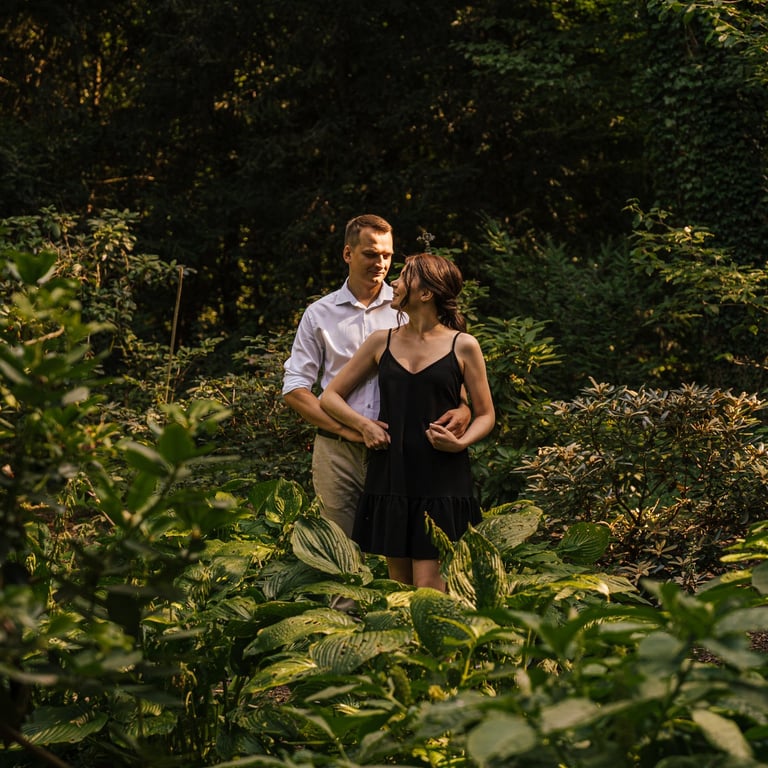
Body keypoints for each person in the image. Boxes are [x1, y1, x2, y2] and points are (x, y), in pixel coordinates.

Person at [282, 215, 471, 538]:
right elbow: (296, 388)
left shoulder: (410, 304)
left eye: (387, 255)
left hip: (402, 448)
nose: (381, 263)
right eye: (371, 254)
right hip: (338, 452)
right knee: (340, 550)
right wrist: (353, 430)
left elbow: (450, 370)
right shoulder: (320, 314)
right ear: (348, 253)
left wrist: (464, 409)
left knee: (400, 544)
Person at [320, 252, 495, 590]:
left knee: (429, 587)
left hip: (441, 477)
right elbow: (330, 397)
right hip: (391, 475)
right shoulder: (380, 341)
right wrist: (364, 425)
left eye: (403, 277)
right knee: (398, 588)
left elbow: (486, 414)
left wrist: (461, 442)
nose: (395, 283)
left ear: (425, 293)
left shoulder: (464, 346)